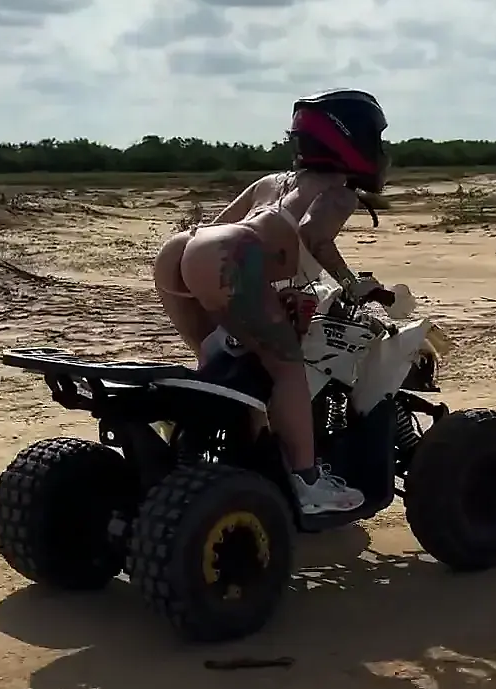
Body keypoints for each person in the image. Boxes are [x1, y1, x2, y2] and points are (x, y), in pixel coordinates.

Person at [152, 89, 391, 515]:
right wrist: (351, 283)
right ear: (354, 141)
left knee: (219, 358)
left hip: (185, 249)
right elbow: (315, 236)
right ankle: (308, 482)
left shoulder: (272, 182)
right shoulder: (339, 192)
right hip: (233, 254)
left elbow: (222, 227)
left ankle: (218, 441)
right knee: (287, 369)